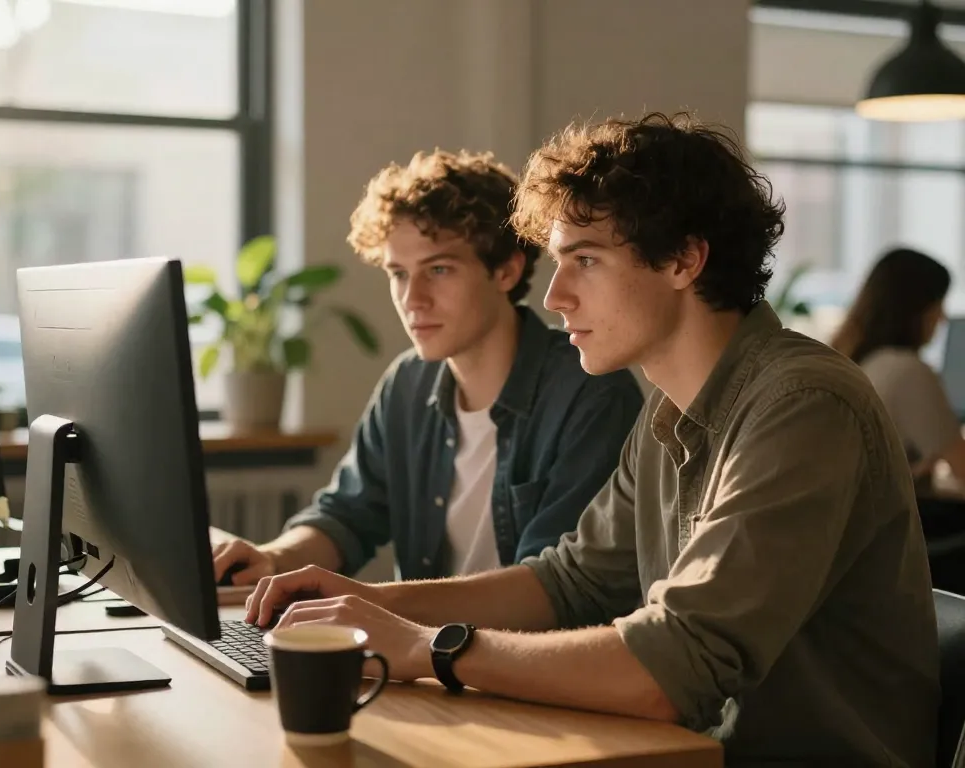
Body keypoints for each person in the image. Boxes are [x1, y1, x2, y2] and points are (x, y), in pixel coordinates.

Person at [246, 113, 939, 767]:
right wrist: (367, 607)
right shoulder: (668, 412)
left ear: (683, 260)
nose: (556, 297)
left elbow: (679, 664)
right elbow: (569, 582)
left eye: (587, 260)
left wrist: (430, 648)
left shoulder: (803, 405)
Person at [213, 148, 644, 585]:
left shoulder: (590, 392)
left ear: (506, 272)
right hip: (417, 643)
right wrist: (271, 559)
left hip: (517, 650)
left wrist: (382, 612)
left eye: (438, 269)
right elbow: (346, 514)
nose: (412, 299)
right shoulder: (407, 384)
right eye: (398, 273)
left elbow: (553, 588)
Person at [831, 247, 965, 488]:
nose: (943, 318)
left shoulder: (861, 362)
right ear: (916, 309)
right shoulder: (908, 371)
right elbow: (962, 466)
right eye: (938, 304)